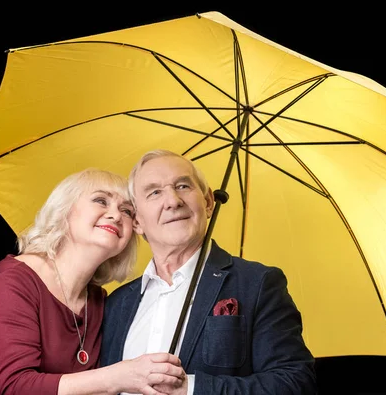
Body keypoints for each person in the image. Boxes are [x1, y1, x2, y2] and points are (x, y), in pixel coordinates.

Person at [0, 168, 185, 395]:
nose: (116, 216)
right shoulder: (11, 282)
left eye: (127, 211)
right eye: (100, 200)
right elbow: (15, 387)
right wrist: (120, 377)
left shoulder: (99, 301)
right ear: (64, 211)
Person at [100, 150, 318, 394]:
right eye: (154, 192)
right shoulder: (115, 304)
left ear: (208, 203)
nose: (173, 201)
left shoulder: (258, 283)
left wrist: (190, 388)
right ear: (137, 221)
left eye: (182, 186)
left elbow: (295, 383)